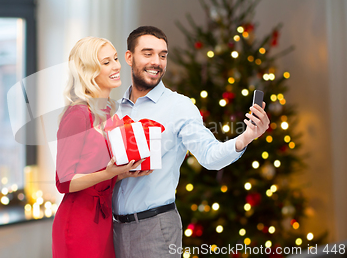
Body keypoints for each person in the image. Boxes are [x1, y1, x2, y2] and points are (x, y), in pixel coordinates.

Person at [112, 26, 270, 257]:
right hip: (113, 229)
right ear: (129, 57)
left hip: (155, 228)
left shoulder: (179, 106)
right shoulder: (113, 109)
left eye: (163, 55)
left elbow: (210, 156)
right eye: (148, 53)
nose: (157, 61)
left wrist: (246, 137)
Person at [52, 37, 151, 258]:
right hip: (78, 222)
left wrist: (123, 174)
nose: (117, 66)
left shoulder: (110, 113)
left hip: (105, 221)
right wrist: (108, 173)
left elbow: (102, 172)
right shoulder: (77, 115)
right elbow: (64, 182)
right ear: (88, 71)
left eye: (115, 59)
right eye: (106, 62)